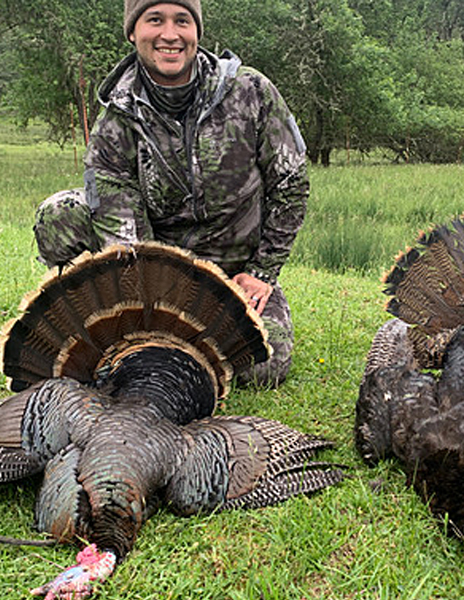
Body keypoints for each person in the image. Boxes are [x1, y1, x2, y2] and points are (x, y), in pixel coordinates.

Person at [33, 0, 309, 387]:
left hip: (235, 275)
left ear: (197, 30)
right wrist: (154, 307)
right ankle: (87, 320)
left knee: (263, 369)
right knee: (60, 213)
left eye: (182, 20)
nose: (169, 34)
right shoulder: (116, 119)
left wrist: (262, 273)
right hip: (158, 275)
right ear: (133, 31)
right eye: (155, 20)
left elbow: (291, 184)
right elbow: (124, 233)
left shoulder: (250, 92)